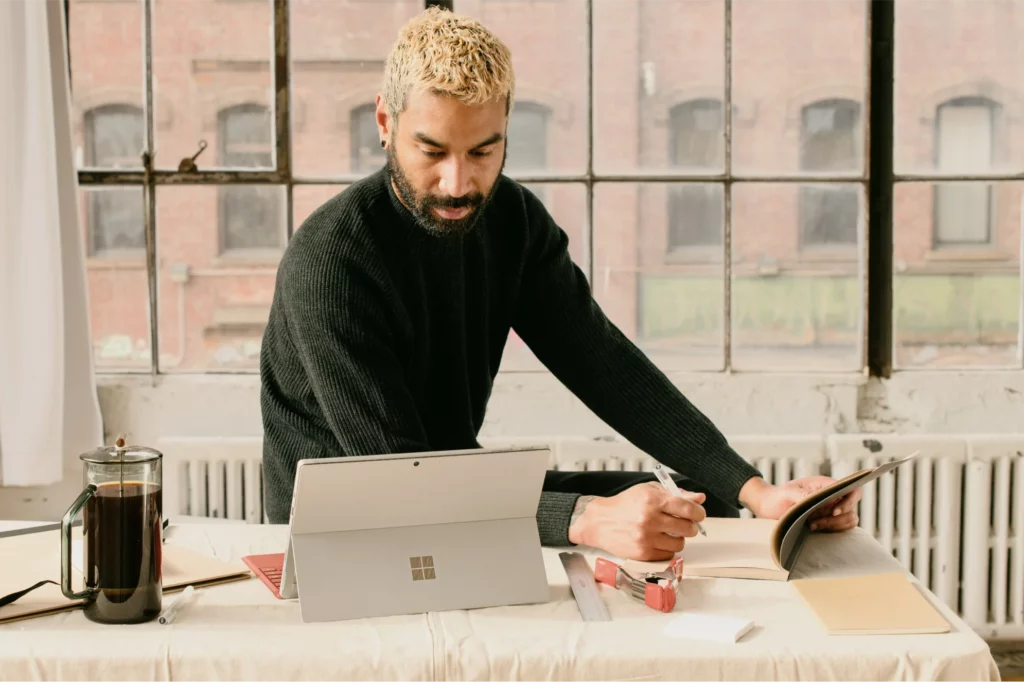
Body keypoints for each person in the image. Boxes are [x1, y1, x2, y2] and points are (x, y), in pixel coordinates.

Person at [259, 6, 861, 561]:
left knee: (699, 500)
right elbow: (402, 478)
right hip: (350, 529)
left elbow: (604, 364)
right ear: (387, 123)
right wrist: (582, 519)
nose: (457, 183)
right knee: (611, 518)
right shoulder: (332, 261)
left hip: (451, 485)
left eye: (482, 152)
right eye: (432, 150)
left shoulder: (513, 221)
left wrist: (758, 492)